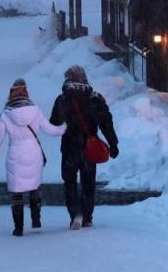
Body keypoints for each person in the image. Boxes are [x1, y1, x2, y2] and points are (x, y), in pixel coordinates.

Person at [0, 78, 66, 237]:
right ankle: (36, 219)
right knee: (35, 186)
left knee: (17, 192)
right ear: (26, 93)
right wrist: (64, 128)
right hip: (34, 153)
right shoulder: (35, 110)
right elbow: (50, 130)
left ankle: (18, 228)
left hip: (15, 154)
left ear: (11, 94)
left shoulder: (6, 115)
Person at [50, 65, 119, 230]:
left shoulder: (63, 99)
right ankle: (87, 216)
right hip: (89, 148)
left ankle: (75, 214)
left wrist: (66, 119)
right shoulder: (95, 98)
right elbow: (106, 122)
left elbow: (54, 122)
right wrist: (113, 143)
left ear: (68, 79)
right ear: (85, 79)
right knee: (88, 182)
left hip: (69, 147)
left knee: (70, 182)